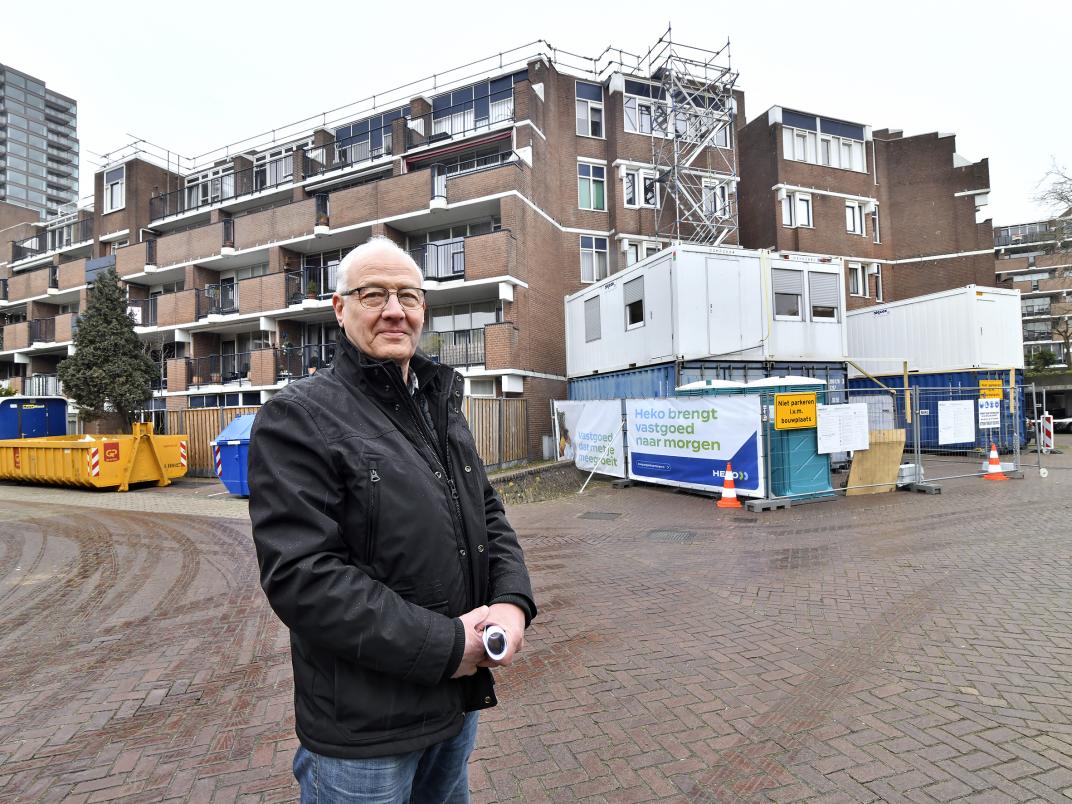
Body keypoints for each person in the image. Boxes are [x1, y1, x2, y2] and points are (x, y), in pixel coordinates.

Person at [249, 237, 536, 802]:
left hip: (453, 708)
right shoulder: (299, 417)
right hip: (366, 733)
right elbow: (304, 578)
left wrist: (512, 602)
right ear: (340, 308)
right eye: (374, 294)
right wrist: (447, 647)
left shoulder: (438, 405)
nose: (394, 310)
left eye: (408, 295)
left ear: (423, 308)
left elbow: (487, 513)